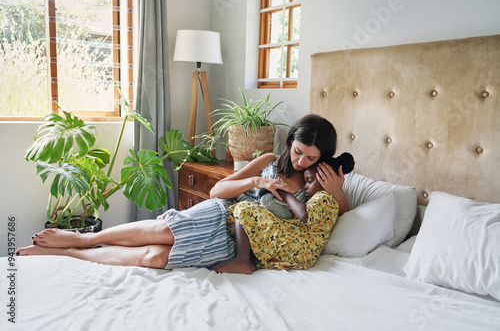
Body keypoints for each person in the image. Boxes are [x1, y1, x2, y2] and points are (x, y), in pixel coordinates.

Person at [16, 114, 349, 273]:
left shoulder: (319, 184)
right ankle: (81, 239)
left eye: (311, 157)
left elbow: (333, 223)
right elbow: (219, 190)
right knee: (163, 230)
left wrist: (339, 194)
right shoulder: (265, 161)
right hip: (222, 212)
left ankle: (71, 255)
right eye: (297, 150)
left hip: (237, 242)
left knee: (156, 257)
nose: (300, 160)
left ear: (323, 158)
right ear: (290, 140)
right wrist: (256, 183)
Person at [211, 157, 349, 274]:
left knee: (245, 208)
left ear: (325, 181)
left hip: (298, 246)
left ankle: (242, 260)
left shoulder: (325, 198)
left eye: (310, 181)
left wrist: (285, 193)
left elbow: (304, 215)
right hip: (300, 252)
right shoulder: (322, 201)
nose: (305, 186)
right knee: (250, 213)